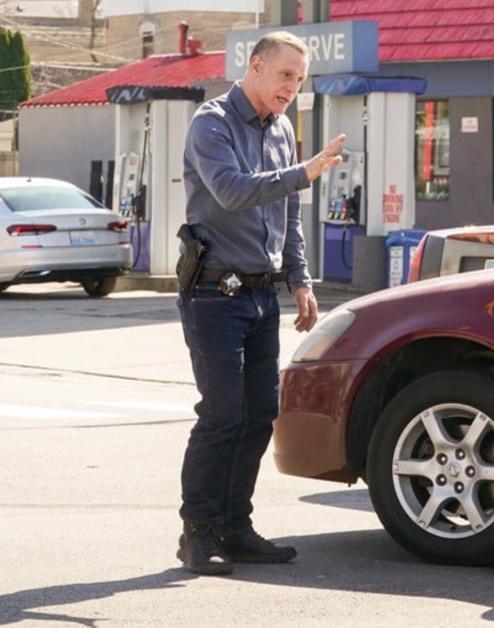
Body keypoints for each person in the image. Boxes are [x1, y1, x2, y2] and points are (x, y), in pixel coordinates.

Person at [175, 31, 347, 576]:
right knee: (222, 414)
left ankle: (235, 526)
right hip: (212, 293)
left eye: (299, 79)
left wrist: (300, 279)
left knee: (258, 416)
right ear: (255, 67)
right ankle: (198, 533)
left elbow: (288, 215)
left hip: (260, 293)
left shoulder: (282, 128)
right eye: (285, 76)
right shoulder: (212, 122)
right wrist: (305, 172)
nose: (292, 88)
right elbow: (230, 190)